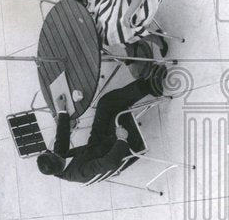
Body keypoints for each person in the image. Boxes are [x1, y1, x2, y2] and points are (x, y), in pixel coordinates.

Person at [36, 65, 167, 184]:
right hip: (120, 149)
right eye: (53, 152)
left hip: (98, 144)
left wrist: (61, 110)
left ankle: (149, 86)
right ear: (57, 159)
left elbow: (62, 137)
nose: (54, 150)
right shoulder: (79, 172)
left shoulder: (57, 160)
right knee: (115, 112)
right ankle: (151, 84)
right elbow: (111, 163)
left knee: (105, 103)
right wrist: (121, 139)